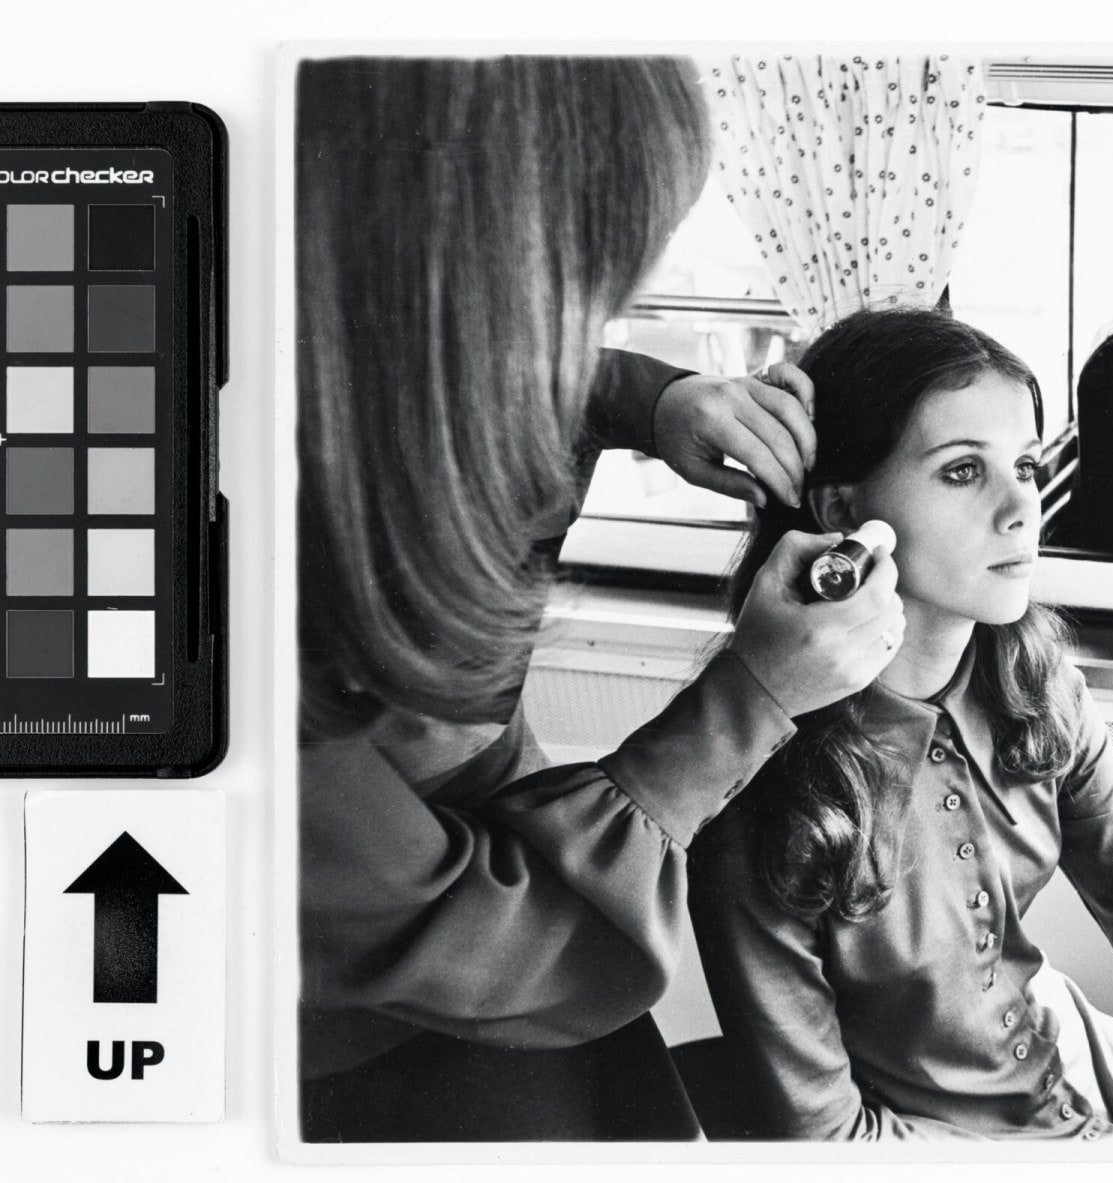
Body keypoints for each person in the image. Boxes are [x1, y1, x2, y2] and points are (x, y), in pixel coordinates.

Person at [296, 56, 905, 1142]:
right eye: (576, 294)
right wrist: (751, 699)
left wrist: (658, 399)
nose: (585, 337)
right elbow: (468, 937)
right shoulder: (157, 612)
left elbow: (495, 357)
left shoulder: (328, 334)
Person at [685, 307, 1113, 1141]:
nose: (1020, 509)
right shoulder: (755, 786)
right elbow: (828, 1143)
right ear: (840, 506)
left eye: (1027, 466)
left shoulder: (1040, 686)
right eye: (963, 472)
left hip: (1068, 1064)